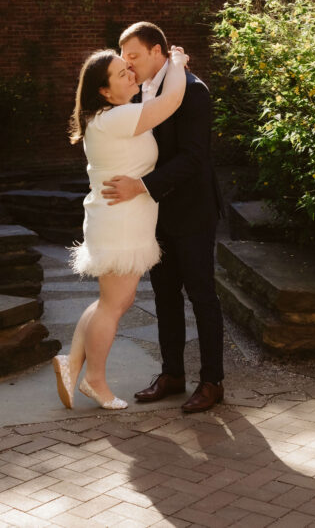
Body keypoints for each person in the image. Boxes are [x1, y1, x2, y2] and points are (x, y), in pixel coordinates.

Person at [52, 44, 189, 410]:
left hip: (123, 221)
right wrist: (177, 62)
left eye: (129, 68)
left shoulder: (118, 113)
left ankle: (73, 363)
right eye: (120, 72)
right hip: (119, 223)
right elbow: (172, 99)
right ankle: (95, 381)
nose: (130, 73)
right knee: (113, 305)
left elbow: (148, 96)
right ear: (104, 91)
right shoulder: (114, 119)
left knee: (113, 300)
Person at [102, 22, 225, 414]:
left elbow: (193, 158)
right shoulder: (142, 91)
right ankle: (172, 374)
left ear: (159, 51)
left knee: (202, 297)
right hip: (156, 215)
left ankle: (212, 381)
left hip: (192, 211)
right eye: (125, 59)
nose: (129, 65)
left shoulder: (194, 91)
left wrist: (141, 186)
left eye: (134, 56)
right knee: (165, 296)